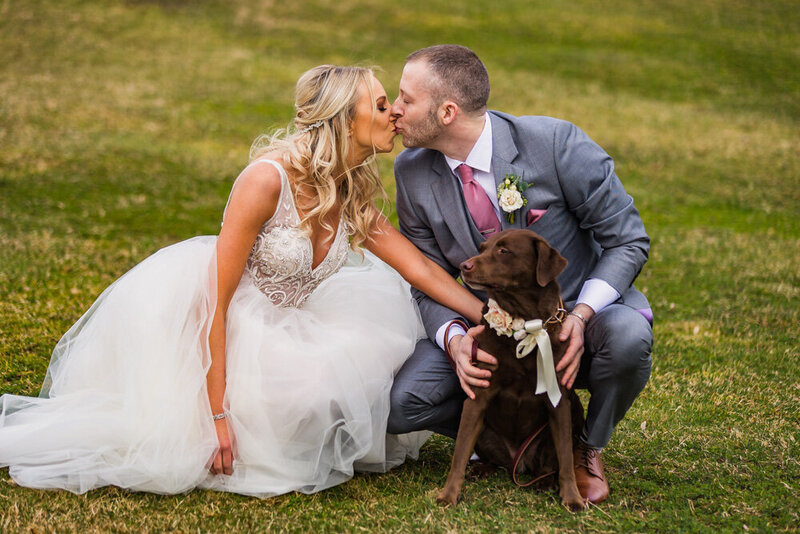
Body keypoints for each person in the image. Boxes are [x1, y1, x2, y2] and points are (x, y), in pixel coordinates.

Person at [0, 65, 484, 497]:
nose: (394, 115)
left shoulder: (349, 188)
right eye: (380, 105)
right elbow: (213, 301)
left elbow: (417, 269)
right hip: (222, 328)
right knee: (305, 396)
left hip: (294, 324)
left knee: (361, 364)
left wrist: (493, 316)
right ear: (343, 119)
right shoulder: (266, 180)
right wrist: (216, 418)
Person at [386, 45, 654, 504]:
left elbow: (628, 240)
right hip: (490, 335)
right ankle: (501, 440)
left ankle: (581, 448)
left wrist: (582, 315)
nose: (394, 109)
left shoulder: (555, 144)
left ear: (447, 112)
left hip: (571, 323)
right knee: (405, 402)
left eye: (406, 99)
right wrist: (454, 339)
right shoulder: (412, 171)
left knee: (628, 338)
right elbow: (427, 275)